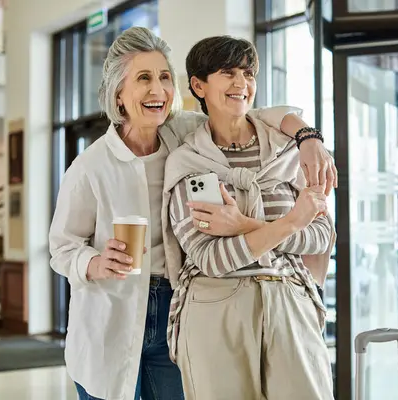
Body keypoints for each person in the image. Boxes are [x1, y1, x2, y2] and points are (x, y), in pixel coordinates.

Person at [48, 27, 338, 400]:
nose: (158, 91)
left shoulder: (185, 133)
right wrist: (94, 262)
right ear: (119, 95)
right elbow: (62, 247)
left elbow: (255, 110)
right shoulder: (90, 168)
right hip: (114, 308)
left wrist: (308, 137)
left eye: (164, 77)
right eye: (143, 79)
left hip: (174, 303)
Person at [162, 36, 336, 399]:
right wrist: (290, 224)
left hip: (288, 296)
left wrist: (245, 227)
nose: (241, 83)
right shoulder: (191, 162)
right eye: (227, 73)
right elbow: (210, 259)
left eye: (248, 73)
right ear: (198, 85)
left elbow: (320, 235)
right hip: (215, 305)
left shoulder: (290, 152)